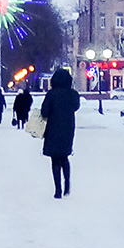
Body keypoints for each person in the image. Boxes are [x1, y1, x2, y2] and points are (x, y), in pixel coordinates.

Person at [40, 69, 80, 199]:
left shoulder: (51, 94)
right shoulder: (73, 94)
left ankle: (58, 190)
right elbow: (75, 107)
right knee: (64, 156)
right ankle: (67, 182)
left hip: (53, 127)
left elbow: (44, 112)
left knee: (55, 159)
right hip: (68, 127)